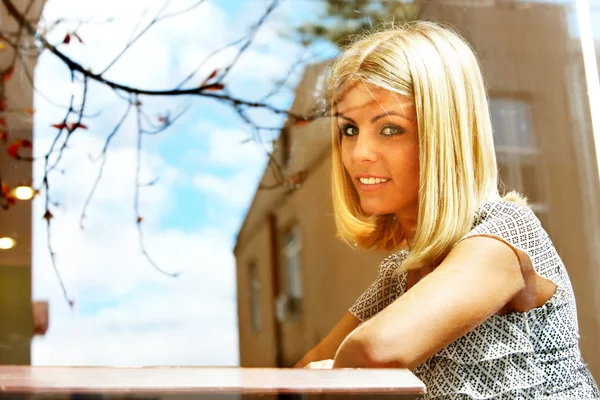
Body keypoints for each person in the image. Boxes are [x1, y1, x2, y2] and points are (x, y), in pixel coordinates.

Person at [293, 21, 600, 399]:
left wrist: (332, 372)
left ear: (443, 133)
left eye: (389, 129)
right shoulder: (397, 276)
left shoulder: (504, 237)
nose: (359, 154)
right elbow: (300, 377)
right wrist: (328, 371)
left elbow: (375, 350)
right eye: (349, 130)